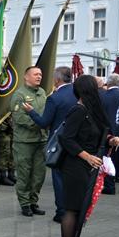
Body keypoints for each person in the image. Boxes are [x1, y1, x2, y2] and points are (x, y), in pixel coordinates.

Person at [57, 75, 119, 237]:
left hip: (89, 166)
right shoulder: (77, 110)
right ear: (89, 90)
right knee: (72, 209)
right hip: (75, 165)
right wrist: (86, 156)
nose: (101, 89)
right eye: (97, 87)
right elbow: (66, 139)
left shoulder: (91, 110)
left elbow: (97, 135)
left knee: (82, 209)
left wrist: (111, 140)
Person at [24, 66, 77, 221]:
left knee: (59, 179)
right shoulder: (78, 93)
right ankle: (74, 210)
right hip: (78, 145)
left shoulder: (55, 98)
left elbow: (43, 122)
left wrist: (31, 112)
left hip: (60, 145)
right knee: (73, 179)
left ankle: (62, 213)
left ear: (57, 79)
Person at [10, 66, 47, 217]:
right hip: (24, 141)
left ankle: (33, 201)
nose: (39, 76)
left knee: (39, 175)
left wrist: (45, 123)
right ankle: (25, 203)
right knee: (24, 174)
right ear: (26, 77)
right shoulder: (19, 95)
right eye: (36, 74)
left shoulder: (42, 92)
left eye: (40, 74)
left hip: (41, 140)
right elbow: (19, 117)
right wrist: (40, 123)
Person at [100, 74, 119, 194]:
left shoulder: (102, 97)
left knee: (108, 158)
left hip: (109, 133)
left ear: (109, 83)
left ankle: (109, 187)